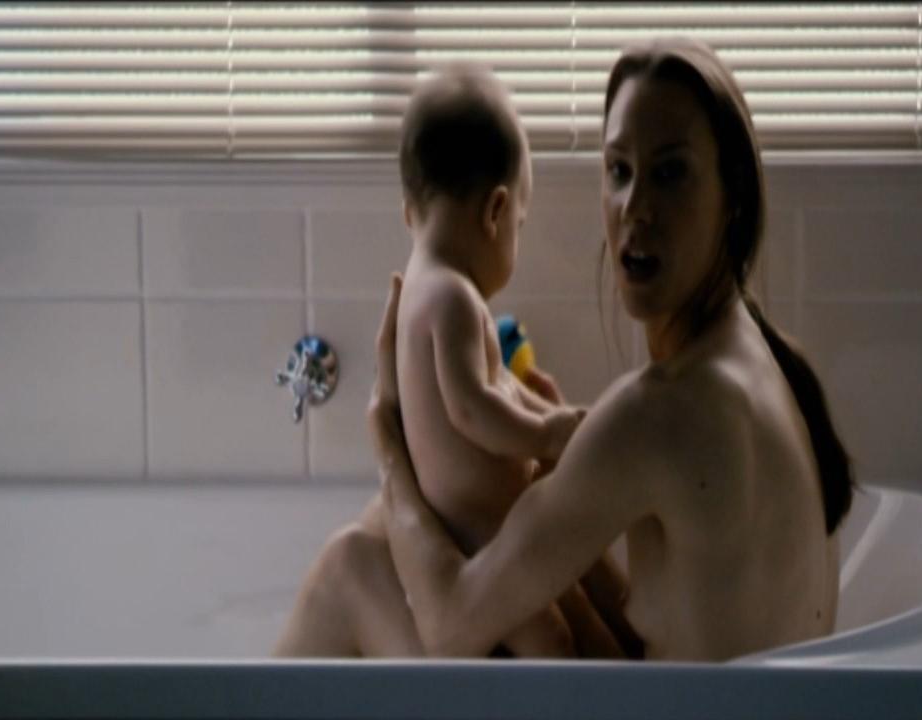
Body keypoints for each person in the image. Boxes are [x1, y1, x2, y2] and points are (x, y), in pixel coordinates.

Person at [374, 38, 855, 661]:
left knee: (353, 567)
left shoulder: (656, 413)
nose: (636, 208)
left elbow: (448, 626)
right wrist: (564, 476)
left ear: (732, 195)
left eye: (670, 173)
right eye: (619, 171)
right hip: (757, 705)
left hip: (694, 711)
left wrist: (389, 445)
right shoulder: (774, 363)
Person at [274, 64, 629, 658]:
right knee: (552, 637)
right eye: (519, 224)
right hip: (476, 528)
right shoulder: (454, 296)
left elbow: (489, 387)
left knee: (562, 624)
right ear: (495, 211)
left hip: (464, 522)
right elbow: (472, 406)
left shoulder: (422, 286)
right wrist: (546, 432)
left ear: (408, 210)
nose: (515, 237)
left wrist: (539, 407)